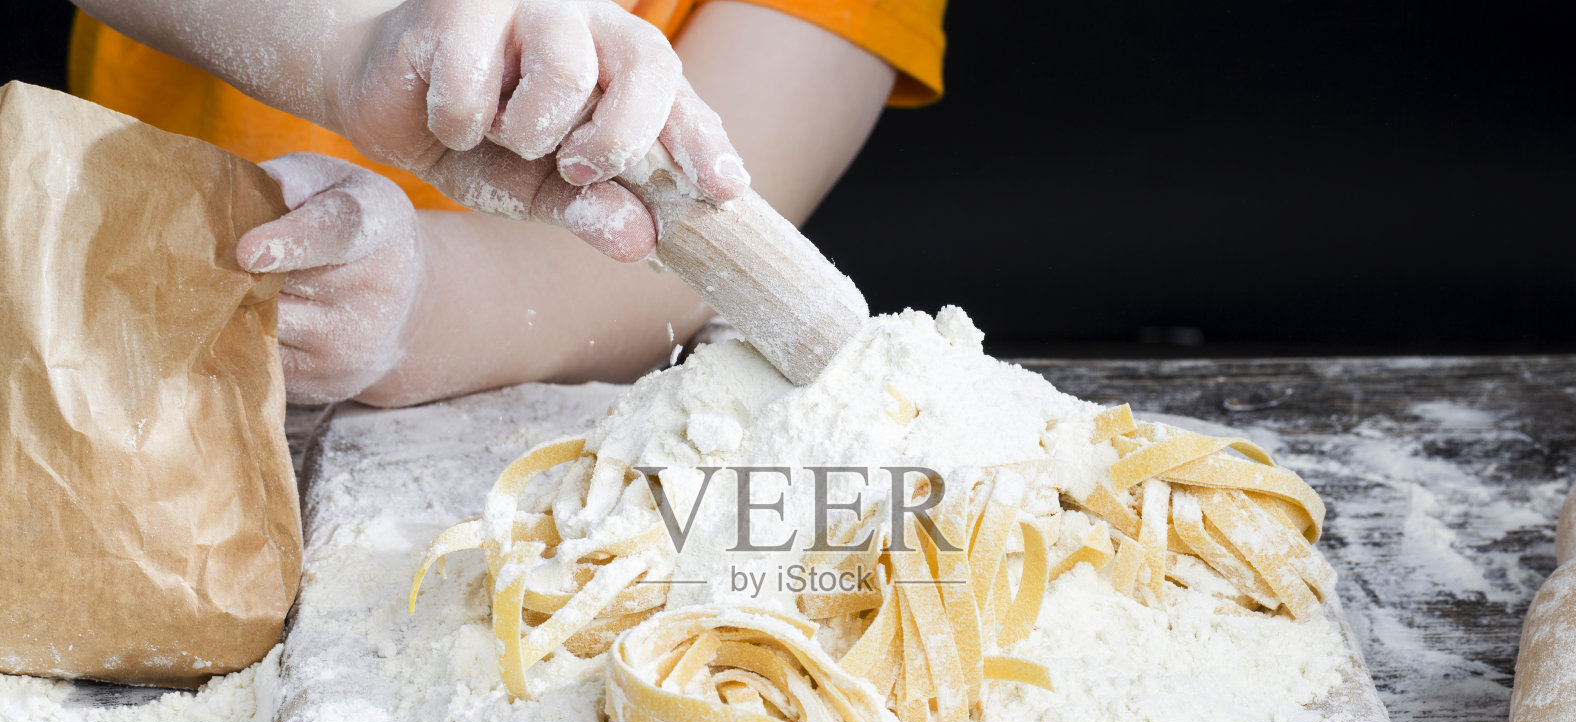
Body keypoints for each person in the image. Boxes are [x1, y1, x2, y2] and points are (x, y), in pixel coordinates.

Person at [67, 1, 946, 406]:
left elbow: (668, 249)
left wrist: (417, 304)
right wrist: (343, 51)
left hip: (514, 399)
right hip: (115, 344)